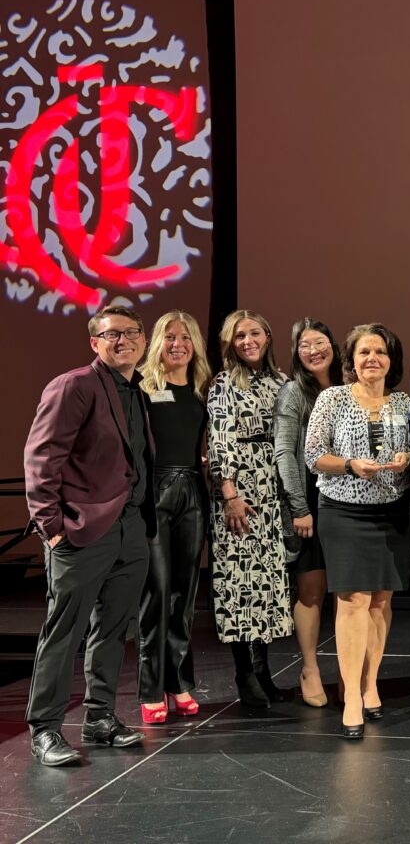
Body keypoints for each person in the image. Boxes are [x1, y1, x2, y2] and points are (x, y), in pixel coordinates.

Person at [24, 306, 154, 766]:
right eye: (111, 334)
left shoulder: (136, 391)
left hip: (130, 529)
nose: (124, 340)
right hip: (81, 533)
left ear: (143, 339)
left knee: (113, 630)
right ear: (94, 343)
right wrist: (52, 530)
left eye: (132, 332)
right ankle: (45, 728)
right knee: (65, 630)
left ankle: (100, 717)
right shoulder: (74, 385)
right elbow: (41, 460)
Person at [305, 323, 410, 739]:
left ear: (392, 359)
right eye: (364, 352)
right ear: (350, 360)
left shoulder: (403, 401)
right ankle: (351, 694)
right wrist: (351, 465)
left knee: (380, 602)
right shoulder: (332, 398)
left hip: (393, 510)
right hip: (344, 511)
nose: (372, 359)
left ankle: (371, 684)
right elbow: (313, 454)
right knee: (353, 600)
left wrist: (408, 456)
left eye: (380, 352)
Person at [207, 310, 292, 708]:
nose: (247, 341)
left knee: (266, 587)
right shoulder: (224, 383)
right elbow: (219, 441)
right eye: (239, 336)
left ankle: (263, 670)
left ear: (267, 335)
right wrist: (229, 494)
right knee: (240, 586)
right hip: (240, 495)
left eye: (254, 333)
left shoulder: (282, 382)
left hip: (272, 491)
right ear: (230, 344)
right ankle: (244, 673)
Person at [137, 311, 212, 723]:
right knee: (157, 593)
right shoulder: (144, 389)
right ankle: (151, 687)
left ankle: (179, 682)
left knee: (185, 595)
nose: (178, 344)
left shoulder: (203, 390)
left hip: (192, 495)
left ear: (195, 344)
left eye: (185, 337)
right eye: (169, 337)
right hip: (155, 494)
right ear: (158, 343)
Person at [274, 318, 343, 708]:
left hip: (350, 502)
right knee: (311, 590)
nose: (313, 350)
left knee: (350, 592)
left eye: (319, 342)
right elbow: (285, 452)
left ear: (333, 345)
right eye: (304, 345)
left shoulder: (350, 386)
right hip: (311, 505)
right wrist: (299, 508)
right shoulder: (293, 392)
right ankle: (310, 668)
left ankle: (351, 673)